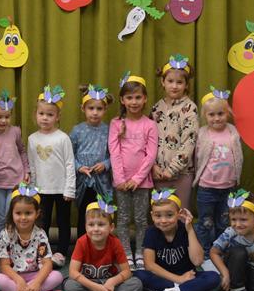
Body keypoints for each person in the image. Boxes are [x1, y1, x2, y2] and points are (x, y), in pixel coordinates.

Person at [108, 72, 158, 270]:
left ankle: (140, 253)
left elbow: (151, 155)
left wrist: (137, 179)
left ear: (145, 99)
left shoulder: (150, 125)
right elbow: (114, 151)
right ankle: (126, 254)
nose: (134, 102)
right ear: (122, 100)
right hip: (121, 182)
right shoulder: (116, 123)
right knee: (122, 219)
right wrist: (120, 179)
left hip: (142, 183)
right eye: (129, 97)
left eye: (138, 97)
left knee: (140, 219)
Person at [137, 189, 219, 291]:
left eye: (169, 215)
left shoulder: (186, 229)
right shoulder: (151, 232)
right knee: (139, 275)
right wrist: (178, 279)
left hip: (189, 276)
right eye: (158, 216)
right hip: (164, 277)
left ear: (179, 214)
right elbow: (150, 265)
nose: (163, 220)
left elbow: (197, 261)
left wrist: (189, 229)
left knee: (213, 277)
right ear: (152, 215)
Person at [0, 184, 67, 291]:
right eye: (18, 213)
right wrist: (19, 281)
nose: (23, 217)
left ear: (37, 213)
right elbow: (4, 266)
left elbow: (47, 264)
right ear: (12, 213)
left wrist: (37, 283)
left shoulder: (40, 235)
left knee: (57, 276)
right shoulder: (5, 235)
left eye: (28, 213)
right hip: (12, 276)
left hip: (34, 275)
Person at [64, 196, 142, 291]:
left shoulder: (115, 243)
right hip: (89, 283)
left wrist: (112, 282)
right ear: (85, 227)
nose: (96, 229)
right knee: (69, 286)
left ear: (111, 227)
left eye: (101, 224)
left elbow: (127, 272)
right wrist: (95, 287)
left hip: (110, 283)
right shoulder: (81, 242)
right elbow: (73, 272)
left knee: (136, 284)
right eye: (91, 225)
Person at [27, 85, 76, 264]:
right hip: (41, 189)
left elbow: (70, 164)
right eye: (41, 114)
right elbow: (32, 164)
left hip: (61, 189)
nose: (45, 118)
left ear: (57, 117)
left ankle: (61, 252)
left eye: (50, 114)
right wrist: (32, 187)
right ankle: (43, 251)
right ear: (36, 114)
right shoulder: (32, 139)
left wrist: (69, 189)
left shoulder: (63, 138)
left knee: (63, 222)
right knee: (42, 222)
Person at [194, 87, 243, 256]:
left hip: (228, 187)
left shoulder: (233, 131)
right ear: (205, 116)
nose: (216, 118)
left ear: (227, 113)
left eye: (221, 114)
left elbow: (238, 156)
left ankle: (220, 251)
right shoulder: (202, 133)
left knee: (224, 222)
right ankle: (205, 251)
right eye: (211, 115)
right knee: (205, 223)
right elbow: (197, 158)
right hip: (207, 188)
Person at [150, 55, 199, 211]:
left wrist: (171, 170)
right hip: (159, 173)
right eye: (170, 81)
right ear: (162, 82)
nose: (174, 86)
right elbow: (149, 141)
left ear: (186, 85)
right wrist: (153, 166)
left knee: (181, 213)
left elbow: (189, 143)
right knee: (161, 213)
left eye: (179, 82)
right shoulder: (156, 108)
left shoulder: (190, 108)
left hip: (182, 174)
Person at [70, 84, 113, 255]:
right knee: (84, 214)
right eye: (91, 108)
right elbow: (69, 155)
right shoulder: (77, 131)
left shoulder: (109, 130)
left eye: (99, 109)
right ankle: (83, 249)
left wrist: (105, 164)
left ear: (105, 109)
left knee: (102, 214)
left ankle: (103, 248)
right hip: (83, 181)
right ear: (83, 109)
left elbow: (115, 154)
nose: (95, 112)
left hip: (102, 182)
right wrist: (79, 167)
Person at [0, 89, 30, 234]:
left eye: (7, 117)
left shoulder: (15, 131)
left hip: (16, 181)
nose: (3, 121)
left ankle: (14, 244)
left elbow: (22, 151)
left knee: (11, 215)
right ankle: (1, 245)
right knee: (1, 217)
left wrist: (27, 171)